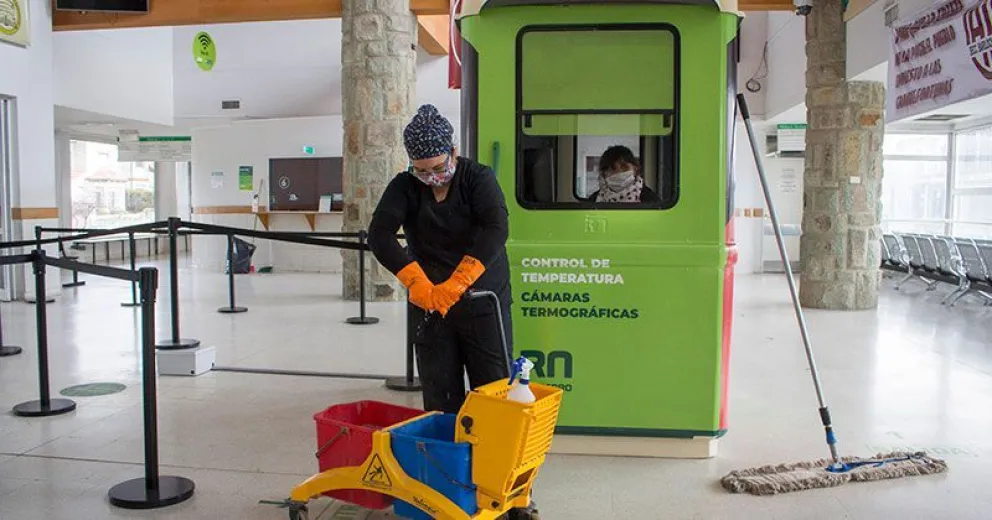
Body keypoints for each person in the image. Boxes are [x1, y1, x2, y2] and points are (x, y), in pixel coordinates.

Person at [367, 104, 513, 415]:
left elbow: (496, 228)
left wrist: (459, 281)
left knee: (492, 390)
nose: (431, 177)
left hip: (482, 299)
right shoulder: (404, 187)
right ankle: (447, 457)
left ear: (453, 151)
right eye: (421, 170)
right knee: (440, 392)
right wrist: (416, 282)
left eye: (437, 167)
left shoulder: (477, 178)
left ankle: (489, 458)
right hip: (431, 303)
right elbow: (379, 234)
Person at [588, 145, 661, 204]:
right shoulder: (593, 200)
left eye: (624, 167)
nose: (619, 173)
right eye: (612, 170)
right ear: (603, 174)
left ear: (635, 169)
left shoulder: (651, 199)